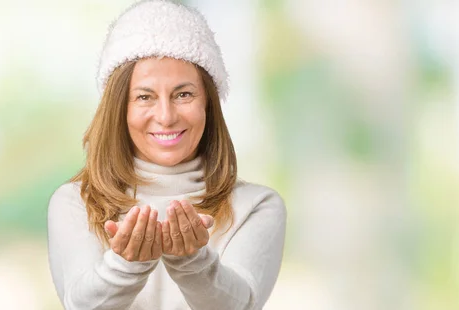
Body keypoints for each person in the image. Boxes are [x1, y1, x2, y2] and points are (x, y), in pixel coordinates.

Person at [46, 1, 287, 309]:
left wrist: (193, 264)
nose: (166, 116)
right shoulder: (75, 202)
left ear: (208, 104)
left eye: (183, 94)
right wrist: (126, 266)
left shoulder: (256, 206)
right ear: (120, 109)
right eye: (145, 97)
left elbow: (240, 306)